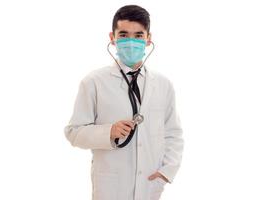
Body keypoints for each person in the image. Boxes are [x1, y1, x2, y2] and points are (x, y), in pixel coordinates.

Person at [64, 5, 184, 200]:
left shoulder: (163, 84)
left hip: (150, 184)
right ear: (112, 38)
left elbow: (173, 133)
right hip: (110, 186)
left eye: (138, 35)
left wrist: (166, 172)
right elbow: (73, 132)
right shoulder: (94, 82)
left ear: (148, 39)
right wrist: (108, 132)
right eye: (124, 34)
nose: (131, 41)